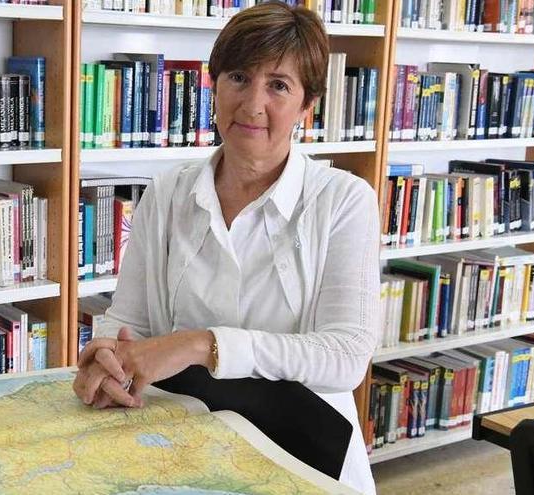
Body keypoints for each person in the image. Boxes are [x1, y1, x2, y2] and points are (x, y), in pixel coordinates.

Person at [72, 2, 380, 494]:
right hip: (182, 446)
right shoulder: (168, 193)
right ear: (214, 86)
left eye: (279, 85)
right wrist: (108, 360)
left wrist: (200, 345)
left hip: (300, 455)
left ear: (307, 106)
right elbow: (127, 320)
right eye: (238, 77)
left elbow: (345, 356)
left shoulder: (344, 201)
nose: (252, 104)